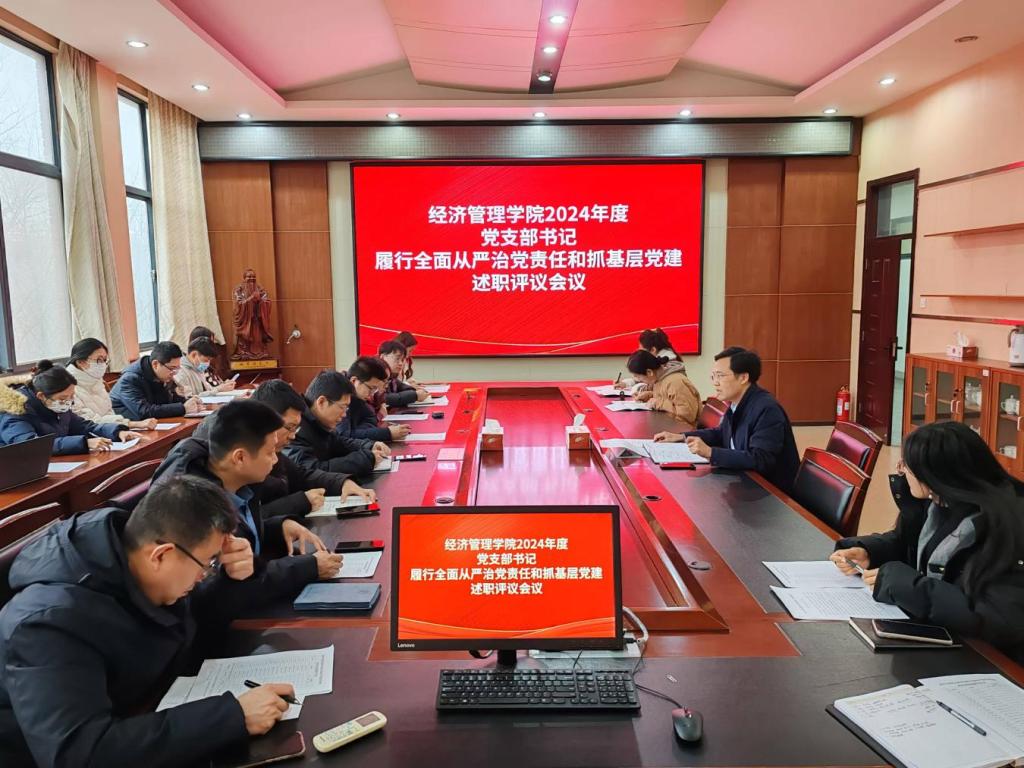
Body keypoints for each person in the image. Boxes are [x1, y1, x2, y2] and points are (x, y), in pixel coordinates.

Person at [0, 477, 296, 768]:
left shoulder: (135, 559)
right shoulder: (49, 623)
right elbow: (81, 753)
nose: (204, 575)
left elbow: (192, 619)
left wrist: (231, 579)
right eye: (208, 564)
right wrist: (231, 717)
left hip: (139, 710)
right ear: (160, 555)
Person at [831, 421, 1024, 661]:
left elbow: (996, 619)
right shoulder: (941, 500)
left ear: (934, 475)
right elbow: (912, 543)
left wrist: (905, 585)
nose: (901, 471)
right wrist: (870, 552)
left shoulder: (1010, 528)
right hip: (949, 638)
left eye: (907, 466)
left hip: (996, 660)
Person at [151, 399, 341, 590]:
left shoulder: (241, 483)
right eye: (269, 453)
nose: (275, 460)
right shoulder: (195, 509)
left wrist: (278, 527)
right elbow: (222, 589)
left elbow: (245, 538)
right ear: (240, 457)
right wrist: (307, 568)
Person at [654, 346, 799, 494]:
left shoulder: (766, 409)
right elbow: (721, 433)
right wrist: (682, 437)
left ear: (743, 378)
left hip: (769, 493)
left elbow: (760, 459)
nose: (715, 382)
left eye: (720, 376)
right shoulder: (736, 402)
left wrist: (711, 453)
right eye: (713, 376)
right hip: (743, 482)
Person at [247, 379, 377, 517]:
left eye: (296, 428)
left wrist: (342, 483)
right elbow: (245, 519)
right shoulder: (244, 458)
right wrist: (300, 502)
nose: (293, 436)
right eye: (290, 427)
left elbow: (302, 475)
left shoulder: (276, 451)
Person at [0, 361, 139, 455]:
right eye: (63, 398)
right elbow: (31, 446)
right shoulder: (15, 410)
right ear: (41, 396)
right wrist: (84, 443)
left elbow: (85, 426)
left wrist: (117, 432)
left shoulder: (58, 406)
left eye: (71, 396)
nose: (68, 402)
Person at [284, 371, 389, 477]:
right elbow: (311, 471)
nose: (344, 415)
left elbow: (339, 442)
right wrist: (365, 459)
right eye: (342, 407)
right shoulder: (295, 427)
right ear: (321, 402)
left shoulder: (319, 421)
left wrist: (369, 446)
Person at [64, 338, 157, 431]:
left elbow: (109, 413)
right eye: (99, 360)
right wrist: (132, 424)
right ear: (80, 362)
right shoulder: (67, 388)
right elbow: (88, 421)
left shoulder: (96, 382)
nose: (103, 365)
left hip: (109, 431)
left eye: (105, 360)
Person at [110, 341, 203, 420]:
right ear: (155, 364)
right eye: (172, 368)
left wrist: (188, 402)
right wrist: (183, 408)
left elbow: (168, 400)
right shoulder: (129, 380)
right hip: (129, 428)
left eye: (177, 368)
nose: (174, 373)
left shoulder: (160, 374)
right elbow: (144, 411)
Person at [338, 357, 410, 442]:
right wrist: (387, 433)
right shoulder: (338, 396)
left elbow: (371, 420)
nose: (371, 394)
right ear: (354, 381)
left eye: (374, 389)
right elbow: (343, 435)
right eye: (371, 388)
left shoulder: (358, 398)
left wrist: (361, 431)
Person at [625, 350, 700, 423]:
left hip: (682, 428)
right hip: (667, 424)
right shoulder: (658, 380)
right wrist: (650, 395)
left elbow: (688, 415)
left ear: (649, 372)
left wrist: (658, 403)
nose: (638, 380)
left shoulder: (675, 382)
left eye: (638, 377)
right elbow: (669, 398)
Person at [615, 328, 680, 391]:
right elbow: (643, 378)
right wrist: (626, 383)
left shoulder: (668, 368)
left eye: (642, 351)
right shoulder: (660, 364)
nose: (640, 355)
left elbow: (653, 386)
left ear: (653, 350)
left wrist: (638, 389)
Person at [378, 341, 429, 407]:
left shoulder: (391, 376)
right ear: (382, 357)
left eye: (402, 360)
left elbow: (402, 387)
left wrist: (416, 392)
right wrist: (414, 395)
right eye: (397, 359)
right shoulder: (375, 374)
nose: (401, 363)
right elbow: (385, 398)